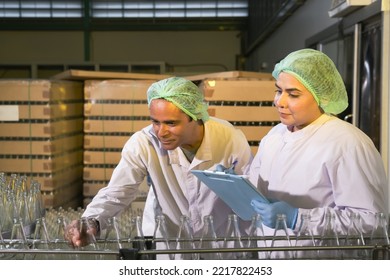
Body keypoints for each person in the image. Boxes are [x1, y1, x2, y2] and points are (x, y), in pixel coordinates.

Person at [65, 76, 253, 257]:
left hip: (222, 244)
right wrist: (92, 221)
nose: (161, 132)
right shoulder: (144, 142)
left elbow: (251, 196)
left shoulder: (229, 139)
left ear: (195, 117)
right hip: (171, 245)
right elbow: (118, 191)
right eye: (155, 121)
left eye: (171, 123)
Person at [249, 49, 388, 250]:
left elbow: (372, 222)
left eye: (293, 94)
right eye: (279, 90)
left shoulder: (347, 143)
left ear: (322, 97)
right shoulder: (275, 135)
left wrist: (299, 218)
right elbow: (261, 190)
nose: (279, 102)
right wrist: (233, 183)